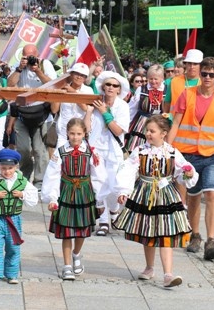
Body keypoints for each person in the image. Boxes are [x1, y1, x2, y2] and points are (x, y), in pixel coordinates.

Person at [111, 115, 199, 288]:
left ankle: (168, 274)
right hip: (144, 193)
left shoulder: (173, 152)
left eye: (152, 131)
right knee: (148, 231)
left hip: (166, 195)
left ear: (164, 133)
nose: (148, 134)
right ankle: (149, 267)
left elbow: (183, 170)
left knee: (166, 233)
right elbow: (128, 169)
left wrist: (188, 174)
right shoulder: (140, 151)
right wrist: (123, 190)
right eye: (147, 131)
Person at [167, 56, 214, 261]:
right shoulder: (187, 94)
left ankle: (211, 241)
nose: (207, 77)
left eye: (211, 75)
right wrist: (168, 151)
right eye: (204, 74)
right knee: (193, 196)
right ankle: (195, 234)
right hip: (188, 155)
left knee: (212, 194)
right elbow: (176, 123)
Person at [41, 118, 107, 280]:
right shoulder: (60, 151)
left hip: (84, 193)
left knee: (81, 231)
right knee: (67, 232)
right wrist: (52, 198)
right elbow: (52, 175)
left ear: (85, 134)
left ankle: (76, 254)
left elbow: (99, 177)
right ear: (67, 134)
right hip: (66, 192)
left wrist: (100, 200)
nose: (75, 137)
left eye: (78, 134)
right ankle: (67, 265)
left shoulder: (92, 152)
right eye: (72, 133)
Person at [0, 148, 39, 288]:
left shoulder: (23, 182)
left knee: (13, 248)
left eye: (10, 168)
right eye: (3, 168)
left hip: (14, 220)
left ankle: (11, 274)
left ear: (16, 166)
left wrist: (22, 195)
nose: (7, 171)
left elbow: (33, 198)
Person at [84, 71, 130, 237]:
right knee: (99, 184)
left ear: (119, 89)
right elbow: (87, 129)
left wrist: (105, 112)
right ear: (103, 86)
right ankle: (103, 222)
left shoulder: (122, 106)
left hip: (114, 150)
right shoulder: (96, 102)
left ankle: (115, 212)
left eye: (114, 85)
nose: (110, 88)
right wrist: (89, 112)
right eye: (108, 84)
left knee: (113, 185)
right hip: (97, 149)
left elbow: (118, 130)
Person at [6, 44, 57, 188]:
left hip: (41, 114)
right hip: (22, 113)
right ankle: (24, 177)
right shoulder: (19, 65)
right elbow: (10, 84)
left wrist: (38, 71)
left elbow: (53, 85)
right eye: (26, 56)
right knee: (23, 149)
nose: (29, 59)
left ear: (38, 54)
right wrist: (19, 69)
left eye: (32, 56)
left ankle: (40, 182)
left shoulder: (45, 65)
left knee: (39, 150)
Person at [50, 63, 94, 149]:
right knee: (61, 158)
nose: (79, 77)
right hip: (63, 131)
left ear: (85, 78)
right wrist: (58, 92)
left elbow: (85, 108)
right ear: (71, 74)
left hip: (80, 133)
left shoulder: (88, 90)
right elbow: (54, 110)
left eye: (82, 75)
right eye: (77, 74)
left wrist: (72, 92)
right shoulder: (63, 88)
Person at [125, 64, 165, 153]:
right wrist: (126, 124)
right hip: (143, 124)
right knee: (140, 151)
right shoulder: (141, 90)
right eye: (151, 79)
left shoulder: (166, 90)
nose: (153, 81)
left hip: (160, 124)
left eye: (156, 79)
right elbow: (132, 108)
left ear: (162, 78)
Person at [163, 49, 203, 116]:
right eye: (189, 63)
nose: (192, 67)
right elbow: (167, 105)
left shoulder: (205, 82)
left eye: (195, 64)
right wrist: (165, 121)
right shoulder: (174, 81)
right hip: (175, 122)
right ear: (185, 64)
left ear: (200, 65)